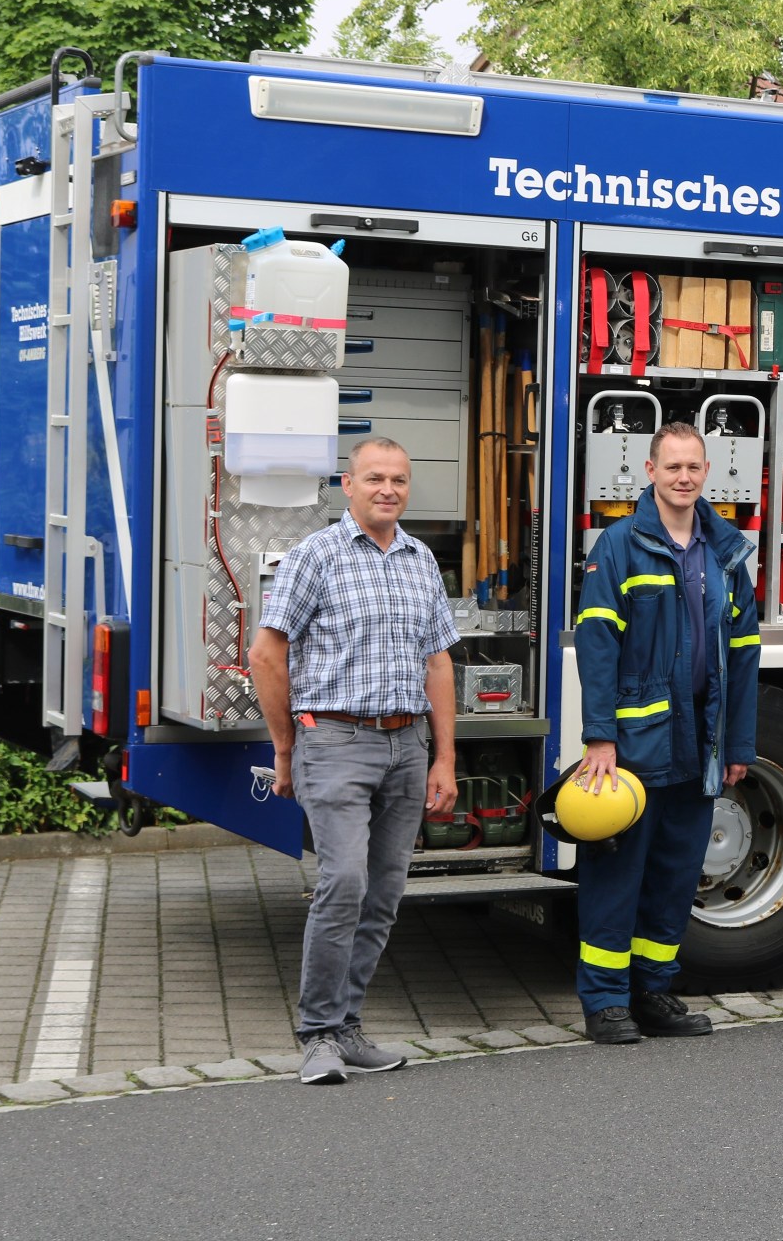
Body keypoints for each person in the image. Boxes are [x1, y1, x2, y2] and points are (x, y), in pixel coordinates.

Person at [251, 437, 461, 1084]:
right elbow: (266, 654)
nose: (388, 489)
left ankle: (347, 1026)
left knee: (384, 894)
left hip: (407, 746)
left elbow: (437, 661)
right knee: (343, 883)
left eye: (398, 479)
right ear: (349, 484)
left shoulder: (420, 559)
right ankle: (316, 1035)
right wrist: (286, 749)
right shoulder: (316, 557)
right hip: (335, 743)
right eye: (375, 478)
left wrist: (444, 757)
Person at [572, 421, 760, 1044]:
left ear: (708, 473)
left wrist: (737, 744)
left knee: (678, 873)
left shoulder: (728, 548)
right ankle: (605, 1003)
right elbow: (597, 645)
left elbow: (745, 653)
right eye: (672, 467)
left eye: (693, 468)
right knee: (617, 871)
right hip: (634, 743)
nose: (683, 478)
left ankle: (653, 992)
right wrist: (599, 737)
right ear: (648, 471)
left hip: (700, 741)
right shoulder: (620, 545)